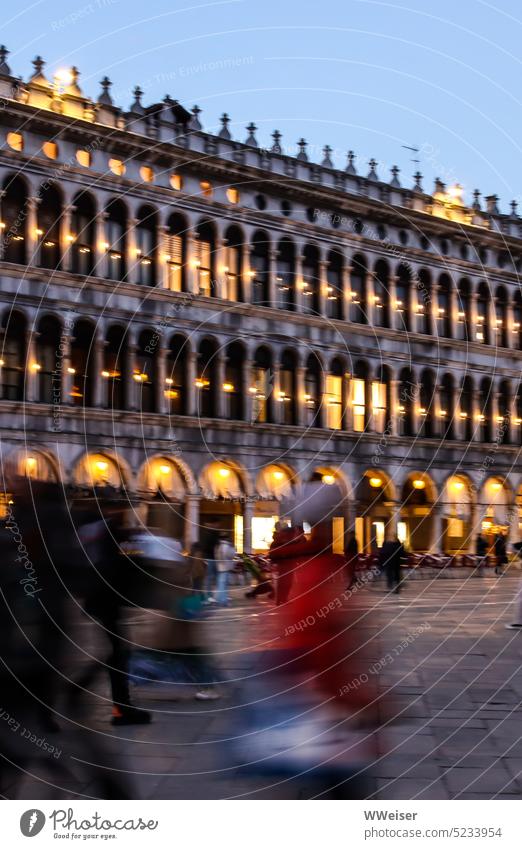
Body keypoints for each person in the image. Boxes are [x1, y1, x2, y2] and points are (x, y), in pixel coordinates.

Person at [269, 522, 307, 605]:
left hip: (286, 563)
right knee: (285, 582)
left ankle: (282, 599)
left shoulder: (283, 540)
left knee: (286, 582)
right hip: (285, 563)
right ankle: (281, 599)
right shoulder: (283, 540)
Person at [200, 520, 220, 602]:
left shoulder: (210, 534)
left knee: (212, 577)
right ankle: (209, 595)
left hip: (211, 558)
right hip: (210, 558)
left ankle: (212, 595)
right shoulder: (209, 534)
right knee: (210, 577)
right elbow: (208, 547)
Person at [215, 532, 236, 606]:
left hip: (220, 567)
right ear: (227, 538)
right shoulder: (227, 546)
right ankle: (223, 601)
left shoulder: (218, 545)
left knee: (220, 584)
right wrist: (233, 548)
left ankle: (220, 599)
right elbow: (231, 555)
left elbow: (217, 556)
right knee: (224, 585)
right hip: (226, 567)